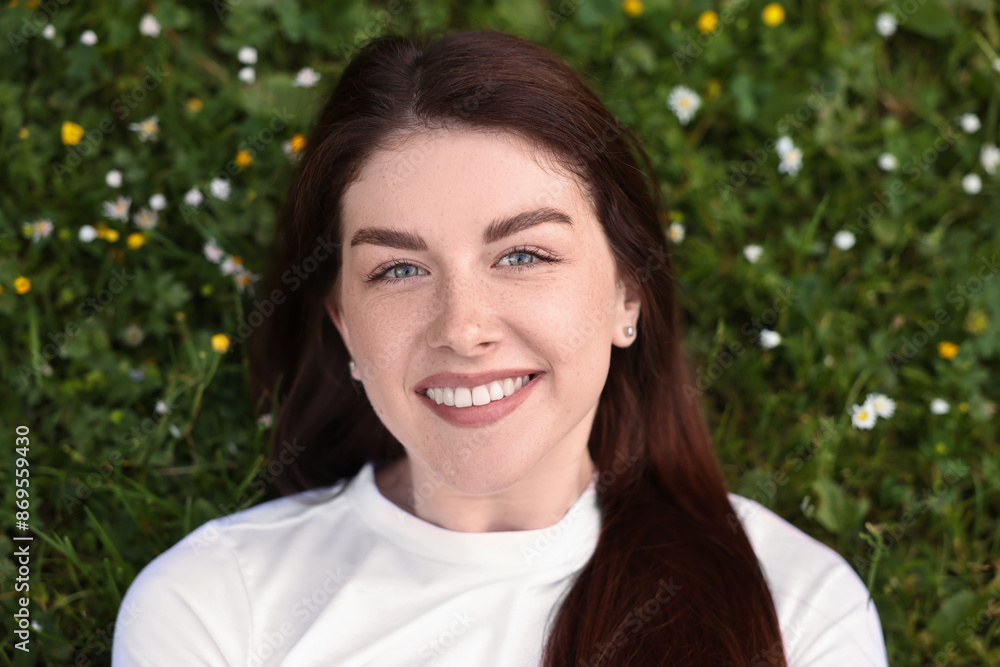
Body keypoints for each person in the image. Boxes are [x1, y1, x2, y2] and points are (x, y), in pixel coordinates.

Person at [112, 28, 889, 666]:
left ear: (630, 294)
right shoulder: (214, 606)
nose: (463, 326)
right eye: (400, 269)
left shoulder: (795, 607)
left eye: (523, 255)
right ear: (345, 326)